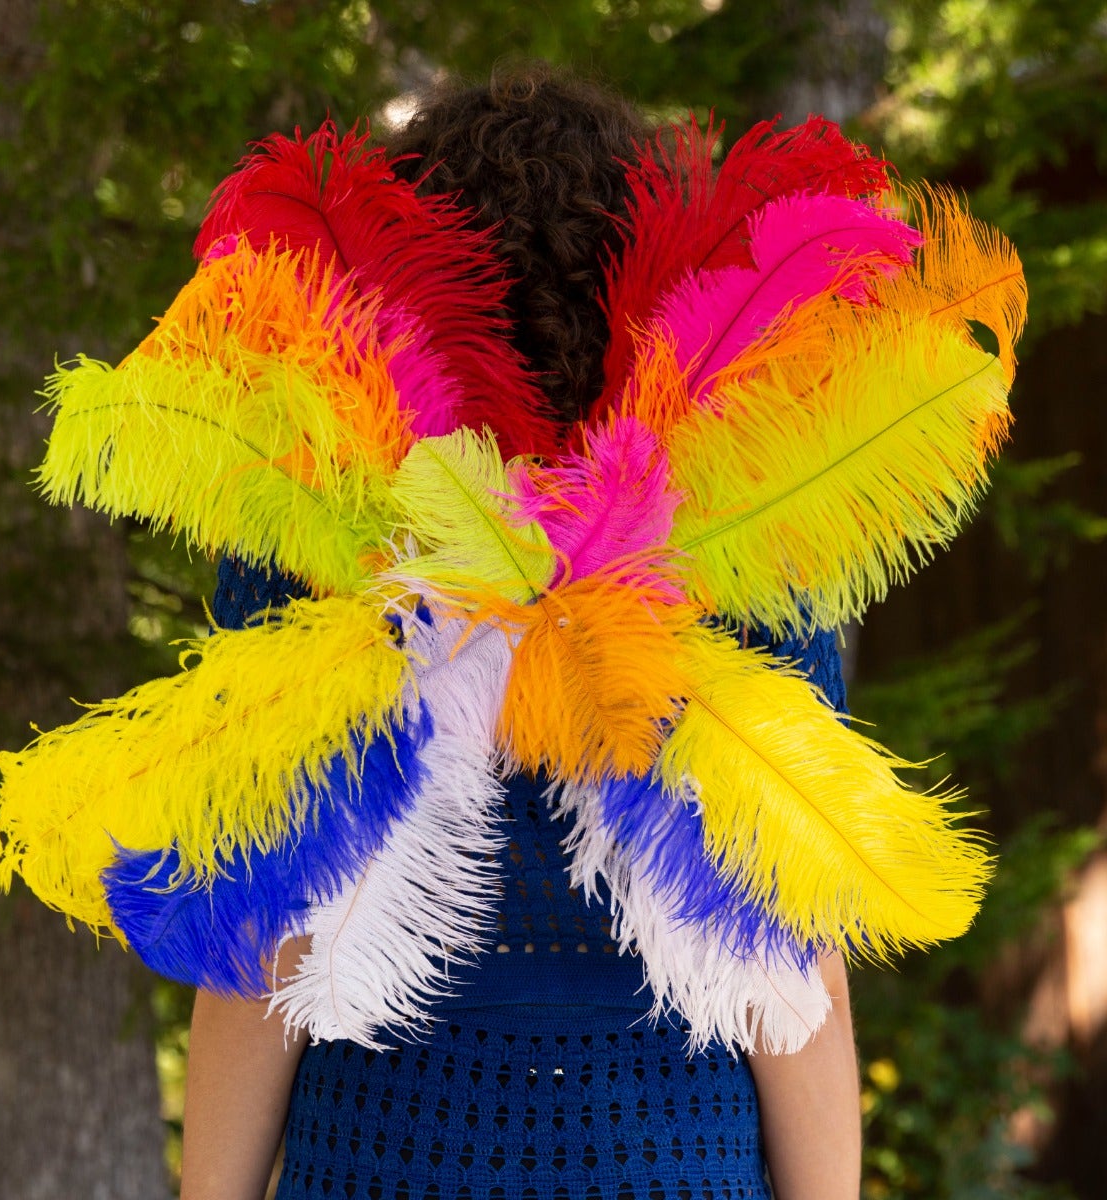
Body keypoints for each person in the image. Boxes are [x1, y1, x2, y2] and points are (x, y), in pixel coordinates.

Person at [179, 64, 862, 1200]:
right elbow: (790, 952)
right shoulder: (741, 538)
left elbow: (265, 936)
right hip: (670, 1155)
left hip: (388, 1151)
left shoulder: (326, 525)